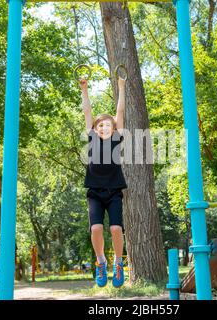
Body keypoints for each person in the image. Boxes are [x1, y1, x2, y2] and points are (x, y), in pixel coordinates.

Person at [79, 75, 127, 288]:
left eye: (108, 125)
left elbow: (120, 112)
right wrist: (84, 89)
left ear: (114, 129)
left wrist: (121, 86)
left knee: (116, 229)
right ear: (95, 130)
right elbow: (87, 112)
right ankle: (101, 262)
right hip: (95, 192)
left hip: (114, 191)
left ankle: (118, 262)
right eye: (100, 125)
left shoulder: (118, 138)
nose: (104, 127)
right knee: (96, 228)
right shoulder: (92, 139)